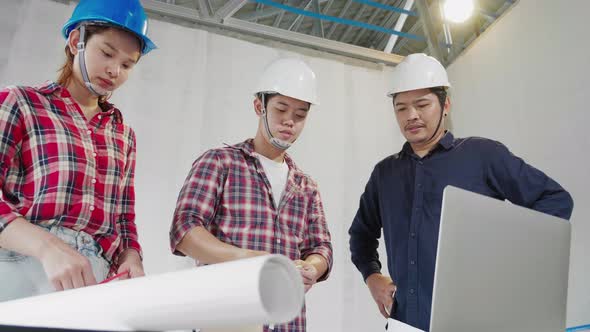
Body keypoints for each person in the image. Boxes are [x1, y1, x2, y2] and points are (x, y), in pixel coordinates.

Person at [348, 53, 574, 331]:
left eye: (422, 104)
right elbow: (361, 234)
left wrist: (505, 256)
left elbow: (555, 201)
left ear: (446, 105)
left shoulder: (482, 156)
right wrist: (373, 277)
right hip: (405, 323)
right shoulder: (384, 174)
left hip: (473, 322)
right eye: (401, 108)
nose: (412, 116)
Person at [0, 0, 157, 301]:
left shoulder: (123, 135)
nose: (114, 70)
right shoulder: (20, 103)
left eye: (127, 64)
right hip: (23, 263)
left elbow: (123, 217)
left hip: (92, 279)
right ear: (76, 41)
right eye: (107, 53)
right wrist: (47, 246)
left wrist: (131, 257)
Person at [170, 58, 333, 332]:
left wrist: (312, 268)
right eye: (281, 108)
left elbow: (321, 248)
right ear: (259, 106)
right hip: (227, 314)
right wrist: (248, 260)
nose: (290, 121)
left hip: (287, 321)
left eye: (301, 114)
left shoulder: (306, 186)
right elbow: (184, 231)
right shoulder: (220, 163)